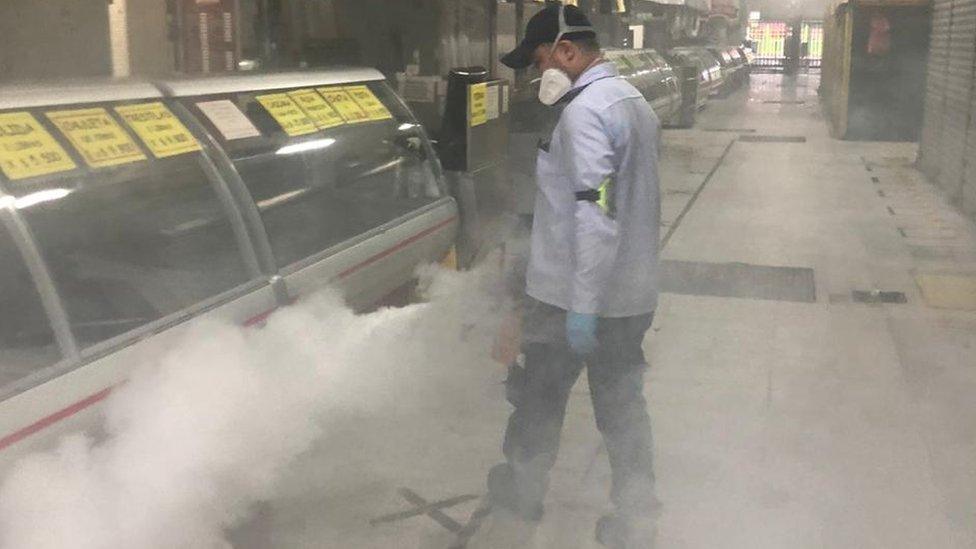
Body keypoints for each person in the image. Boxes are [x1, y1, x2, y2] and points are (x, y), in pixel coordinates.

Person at [487, 4, 662, 548]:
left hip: (572, 299)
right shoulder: (634, 101)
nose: (539, 75)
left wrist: (583, 306)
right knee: (622, 406)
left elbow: (596, 212)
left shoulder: (585, 112)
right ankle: (636, 515)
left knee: (539, 401)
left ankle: (520, 495)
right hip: (631, 295)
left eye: (540, 62)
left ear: (566, 51)